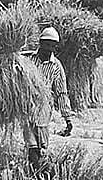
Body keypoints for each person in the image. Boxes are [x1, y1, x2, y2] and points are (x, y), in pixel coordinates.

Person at [23, 26, 74, 170]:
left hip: (44, 109)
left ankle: (40, 171)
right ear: (40, 42)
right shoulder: (27, 59)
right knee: (31, 143)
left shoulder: (56, 66)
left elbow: (61, 92)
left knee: (42, 145)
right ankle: (38, 173)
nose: (48, 48)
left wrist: (67, 118)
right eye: (46, 44)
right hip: (27, 106)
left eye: (52, 45)